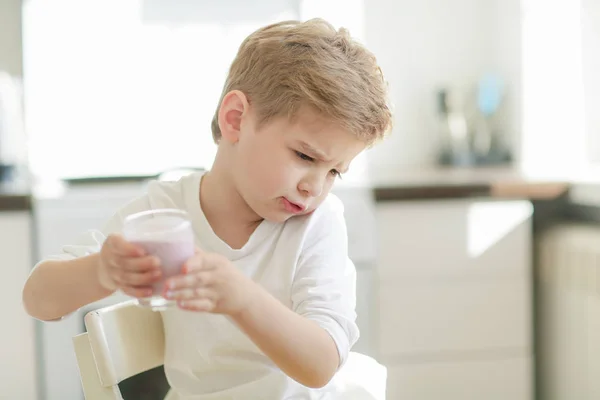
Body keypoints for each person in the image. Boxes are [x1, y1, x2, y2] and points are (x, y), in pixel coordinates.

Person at [22, 18, 392, 399]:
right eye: (304, 155)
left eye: (334, 172)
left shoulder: (318, 223)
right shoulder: (164, 212)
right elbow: (39, 299)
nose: (314, 187)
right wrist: (102, 269)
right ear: (235, 119)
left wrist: (242, 298)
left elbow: (320, 366)